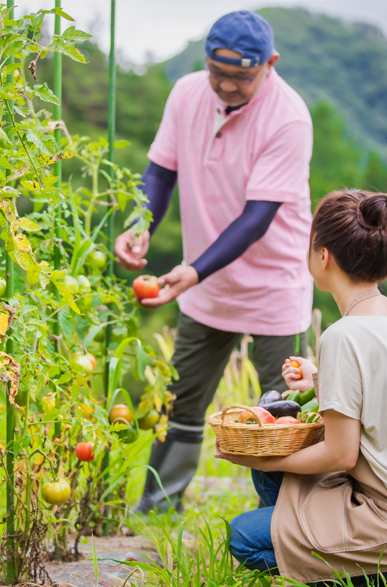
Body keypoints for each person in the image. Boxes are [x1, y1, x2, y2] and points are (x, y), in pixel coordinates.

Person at [218, 190, 387, 587]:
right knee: (277, 477)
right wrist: (321, 378)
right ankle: (366, 572)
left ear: (323, 256)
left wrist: (254, 456)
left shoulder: (343, 336)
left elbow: (340, 454)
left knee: (245, 536)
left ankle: (368, 583)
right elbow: (380, 396)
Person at [114, 11, 314, 513]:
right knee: (181, 398)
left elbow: (257, 218)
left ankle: (286, 518)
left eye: (241, 77)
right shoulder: (186, 94)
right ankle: (159, 506)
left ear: (270, 64)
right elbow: (159, 172)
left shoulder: (288, 117)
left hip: (274, 286)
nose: (225, 85)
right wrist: (142, 225)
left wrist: (194, 270)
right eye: (216, 72)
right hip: (205, 281)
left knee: (282, 412)